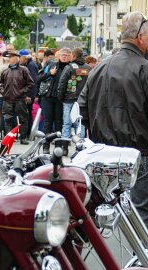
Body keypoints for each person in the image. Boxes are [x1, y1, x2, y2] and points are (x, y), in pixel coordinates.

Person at [77, 11, 148, 226]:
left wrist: (98, 135)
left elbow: (82, 108)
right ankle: (140, 258)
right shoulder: (143, 68)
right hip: (139, 152)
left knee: (108, 211)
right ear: (140, 37)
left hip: (106, 153)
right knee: (140, 212)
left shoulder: (99, 68)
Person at [57, 47, 90, 156]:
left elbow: (62, 83)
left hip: (68, 99)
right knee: (80, 124)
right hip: (83, 101)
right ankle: (80, 148)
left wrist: (60, 97)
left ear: (74, 56)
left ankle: (64, 148)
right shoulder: (89, 68)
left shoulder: (69, 67)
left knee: (66, 123)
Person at [38, 47, 71, 154]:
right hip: (47, 97)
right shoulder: (51, 64)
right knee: (47, 123)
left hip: (61, 99)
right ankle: (46, 146)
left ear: (70, 56)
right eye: (63, 55)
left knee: (59, 123)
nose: (64, 57)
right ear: (59, 56)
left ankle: (58, 146)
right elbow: (38, 78)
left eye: (66, 55)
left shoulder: (71, 68)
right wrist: (49, 74)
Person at [0, 50, 34, 144]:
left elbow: (30, 84)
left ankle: (23, 138)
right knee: (8, 119)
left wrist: (21, 92)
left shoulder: (24, 70)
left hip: (20, 99)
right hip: (7, 99)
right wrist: (4, 92)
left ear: (16, 58)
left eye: (11, 57)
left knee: (23, 119)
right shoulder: (5, 71)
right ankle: (8, 138)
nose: (10, 59)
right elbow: (0, 84)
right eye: (9, 57)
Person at [19, 49, 39, 137]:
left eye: (20, 57)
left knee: (27, 114)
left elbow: (33, 81)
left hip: (29, 94)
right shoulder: (28, 64)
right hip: (28, 93)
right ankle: (27, 132)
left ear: (24, 57)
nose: (19, 59)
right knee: (26, 114)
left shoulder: (31, 65)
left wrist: (30, 96)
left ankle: (28, 133)